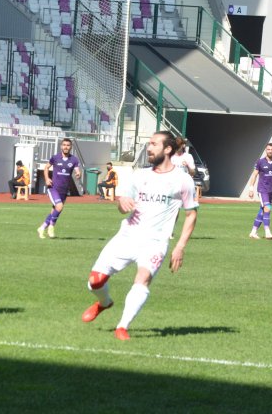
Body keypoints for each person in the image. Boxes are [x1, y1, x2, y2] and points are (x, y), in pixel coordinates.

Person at [80, 131, 198, 341]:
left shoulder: (183, 180)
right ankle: (104, 303)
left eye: (153, 144)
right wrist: (122, 204)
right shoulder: (139, 175)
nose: (149, 148)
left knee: (142, 280)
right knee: (95, 281)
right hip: (127, 236)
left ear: (168, 149)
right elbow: (123, 203)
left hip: (155, 242)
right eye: (149, 144)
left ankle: (122, 327)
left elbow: (191, 215)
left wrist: (180, 246)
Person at [37, 138, 81, 238]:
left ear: (71, 147)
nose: (66, 147)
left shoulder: (74, 159)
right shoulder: (55, 157)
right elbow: (46, 167)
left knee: (55, 210)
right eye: (64, 145)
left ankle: (42, 228)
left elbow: (77, 170)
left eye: (68, 145)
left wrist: (79, 173)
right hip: (53, 188)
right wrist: (47, 178)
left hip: (64, 190)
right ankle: (51, 227)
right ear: (61, 146)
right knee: (59, 206)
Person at [247, 143, 272, 239]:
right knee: (268, 208)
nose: (270, 151)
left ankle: (253, 232)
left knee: (263, 210)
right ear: (266, 150)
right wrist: (251, 189)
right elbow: (254, 175)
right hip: (262, 190)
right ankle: (267, 232)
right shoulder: (260, 162)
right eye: (268, 149)